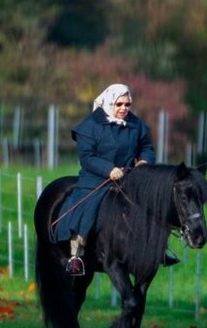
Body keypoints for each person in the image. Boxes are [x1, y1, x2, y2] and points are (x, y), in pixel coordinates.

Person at [54, 83, 180, 276]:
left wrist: (144, 162)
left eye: (127, 104)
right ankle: (76, 256)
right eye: (119, 104)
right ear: (109, 102)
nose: (124, 108)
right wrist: (109, 169)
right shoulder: (89, 126)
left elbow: (146, 147)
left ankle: (158, 250)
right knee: (87, 207)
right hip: (96, 179)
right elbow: (87, 157)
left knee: (152, 205)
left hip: (129, 178)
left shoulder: (137, 125)